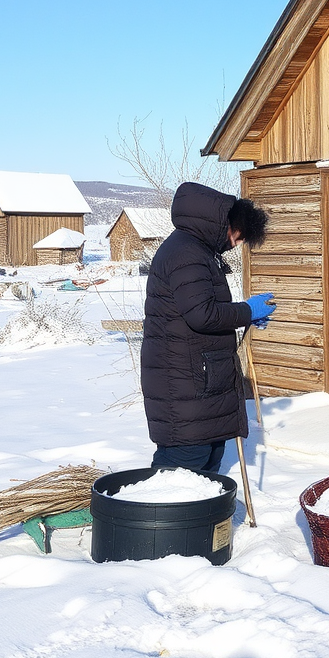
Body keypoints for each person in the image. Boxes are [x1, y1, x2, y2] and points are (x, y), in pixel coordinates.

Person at [141, 181, 274, 474]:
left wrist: (244, 314)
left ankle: (200, 521)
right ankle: (159, 520)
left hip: (197, 382)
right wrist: (246, 311)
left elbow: (198, 307)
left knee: (205, 469)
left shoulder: (195, 250)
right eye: (239, 237)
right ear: (226, 225)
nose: (236, 244)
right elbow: (202, 315)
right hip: (184, 383)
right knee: (179, 475)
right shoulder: (186, 254)